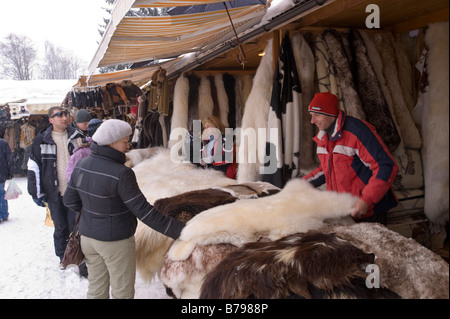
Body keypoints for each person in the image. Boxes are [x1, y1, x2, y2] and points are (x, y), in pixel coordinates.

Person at [63, 119, 185, 299]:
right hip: (115, 243)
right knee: (122, 292)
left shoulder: (82, 165)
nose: (129, 145)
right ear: (111, 142)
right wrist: (182, 231)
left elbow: (69, 201)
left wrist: (93, 210)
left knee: (96, 289)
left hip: (88, 239)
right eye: (125, 141)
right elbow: (144, 212)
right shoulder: (121, 173)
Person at [303, 92, 398, 224]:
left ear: (330, 114)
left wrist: (366, 199)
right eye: (311, 116)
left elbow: (386, 166)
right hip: (344, 211)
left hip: (369, 211)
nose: (312, 121)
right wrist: (299, 185)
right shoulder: (323, 136)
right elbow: (326, 169)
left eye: (316, 115)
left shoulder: (357, 132)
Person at [27, 106, 79, 268]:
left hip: (74, 192)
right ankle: (62, 257)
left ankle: (77, 256)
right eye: (59, 115)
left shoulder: (77, 137)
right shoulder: (41, 140)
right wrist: (36, 193)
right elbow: (34, 167)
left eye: (65, 114)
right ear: (51, 119)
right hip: (54, 193)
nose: (64, 118)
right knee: (60, 227)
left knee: (76, 226)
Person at [0, 138, 13, 223]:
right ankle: (4, 214)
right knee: (1, 193)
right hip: (1, 172)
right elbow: (9, 159)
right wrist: (10, 172)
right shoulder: (3, 143)